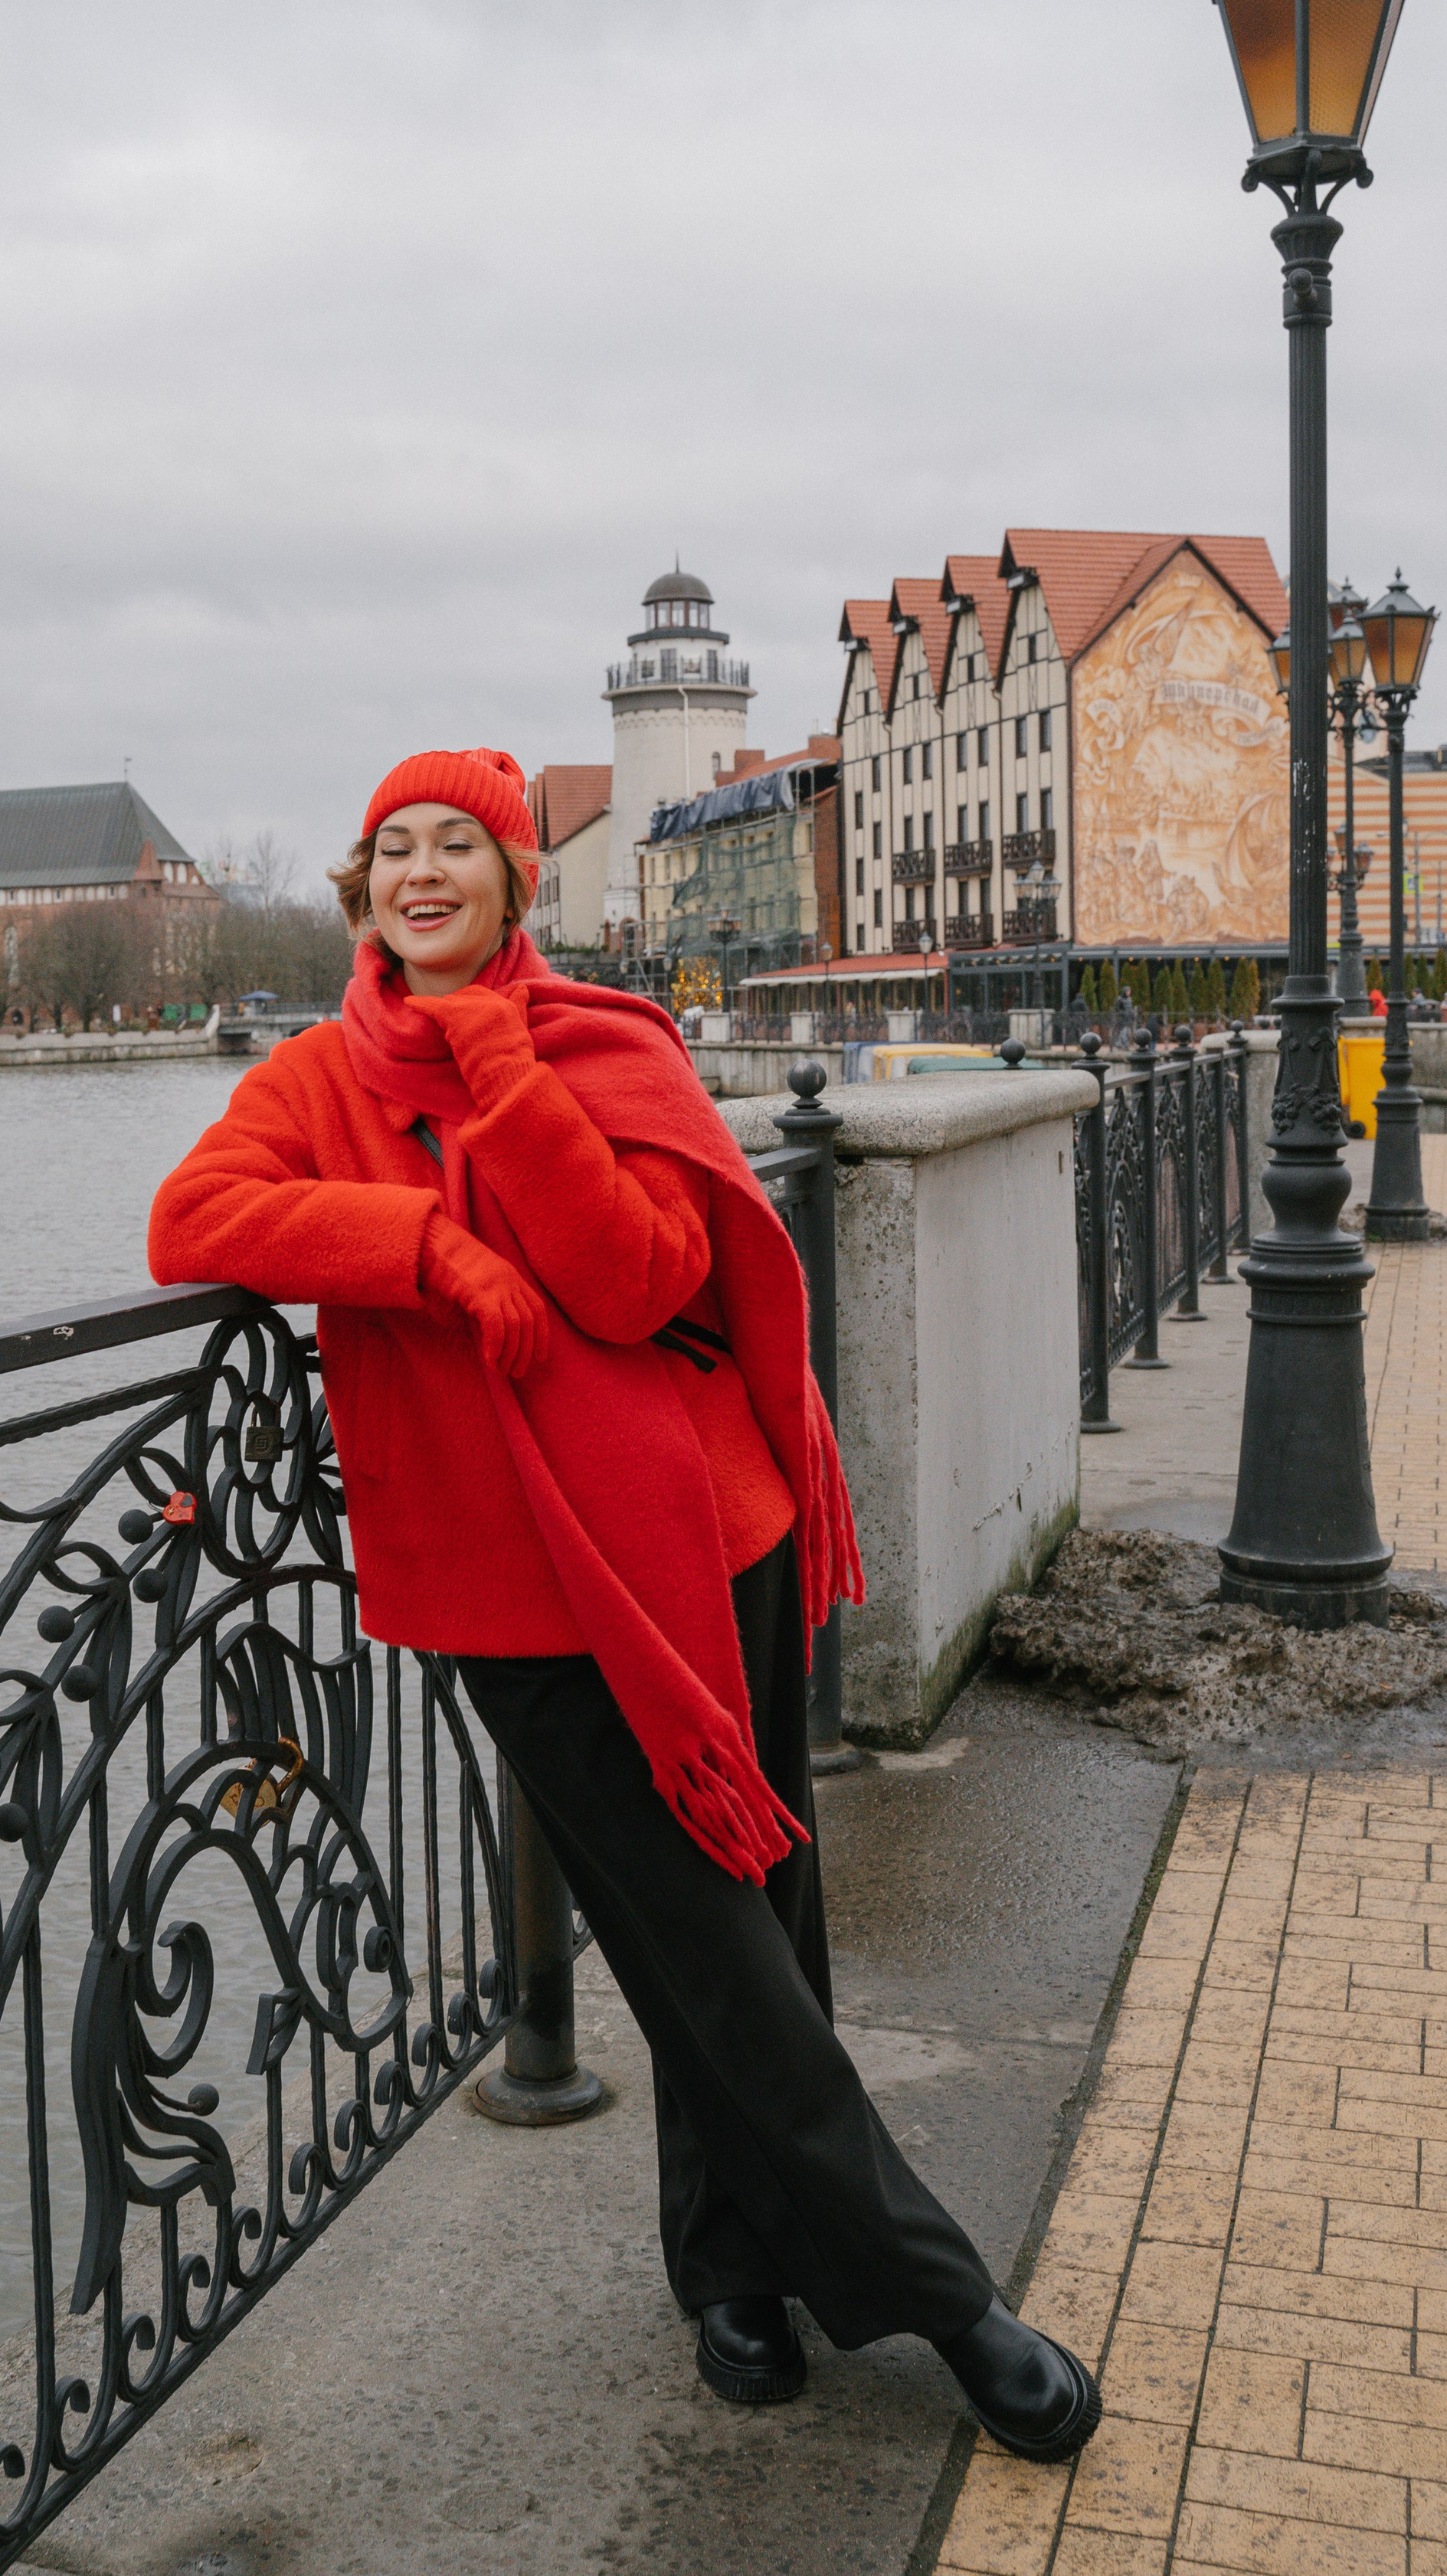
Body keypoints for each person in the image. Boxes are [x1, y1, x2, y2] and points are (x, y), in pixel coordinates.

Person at [147, 745, 1101, 2460]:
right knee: (706, 1948)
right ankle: (942, 2301)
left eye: (462, 845)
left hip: (703, 1528)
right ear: (363, 893)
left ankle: (726, 2264)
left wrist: (500, 1072)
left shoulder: (602, 1045)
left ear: (519, 886)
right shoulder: (315, 1075)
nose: (422, 870)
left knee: (755, 1912)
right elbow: (195, 1216)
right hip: (515, 1584)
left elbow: (640, 1276)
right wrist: (427, 1252)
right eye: (393, 849)